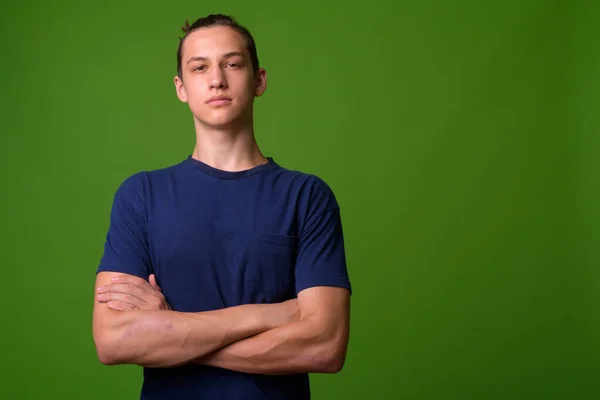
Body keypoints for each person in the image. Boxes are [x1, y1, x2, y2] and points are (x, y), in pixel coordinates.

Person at [92, 13, 352, 400]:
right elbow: (114, 341)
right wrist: (270, 314)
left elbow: (324, 345)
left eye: (232, 64)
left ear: (259, 80)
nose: (217, 79)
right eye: (200, 67)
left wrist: (169, 329)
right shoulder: (141, 195)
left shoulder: (307, 196)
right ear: (181, 87)